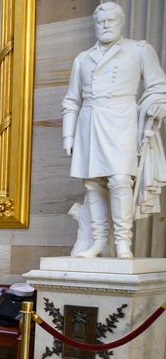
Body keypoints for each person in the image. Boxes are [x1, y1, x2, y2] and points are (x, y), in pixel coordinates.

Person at [62, 2, 166, 259]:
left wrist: (156, 105)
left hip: (122, 122)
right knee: (93, 184)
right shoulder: (83, 58)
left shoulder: (139, 50)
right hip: (89, 123)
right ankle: (98, 242)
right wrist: (68, 135)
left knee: (120, 180)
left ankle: (122, 243)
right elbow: (72, 100)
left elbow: (159, 86)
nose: (105, 26)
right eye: (100, 22)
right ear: (95, 25)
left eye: (110, 21)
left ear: (121, 22)